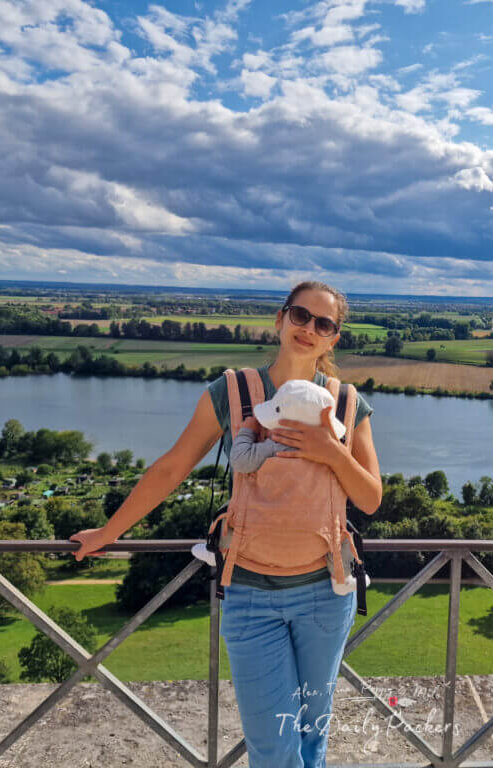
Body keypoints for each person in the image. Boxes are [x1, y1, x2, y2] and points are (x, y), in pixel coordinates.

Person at [70, 280, 383, 768]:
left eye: (324, 324)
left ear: (333, 339)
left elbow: (370, 496)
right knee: (274, 751)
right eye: (300, 316)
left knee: (309, 739)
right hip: (250, 594)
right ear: (280, 319)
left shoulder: (346, 403)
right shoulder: (234, 391)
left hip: (327, 592)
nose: (309, 329)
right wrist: (110, 533)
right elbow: (174, 466)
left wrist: (331, 451)